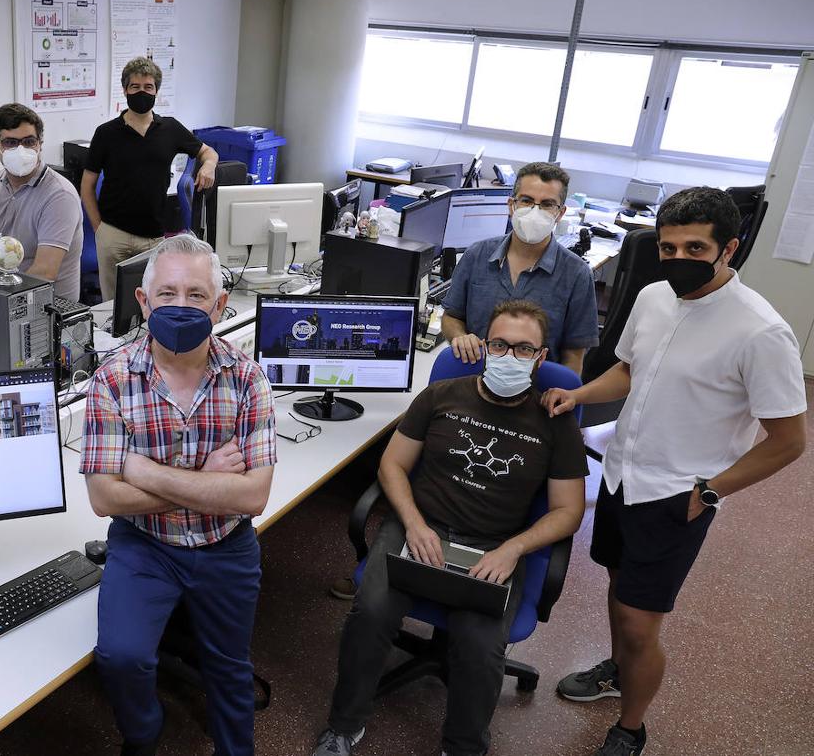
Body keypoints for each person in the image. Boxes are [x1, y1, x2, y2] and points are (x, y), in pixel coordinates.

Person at [543, 187, 807, 756]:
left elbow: (788, 443)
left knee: (641, 624)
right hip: (619, 477)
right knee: (619, 590)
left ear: (728, 249)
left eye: (695, 248)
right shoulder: (655, 296)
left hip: (675, 494)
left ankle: (630, 728)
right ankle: (616, 670)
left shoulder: (762, 332)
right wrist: (579, 395)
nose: (678, 259)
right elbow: (629, 372)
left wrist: (708, 492)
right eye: (668, 248)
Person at [313, 299, 588, 756]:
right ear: (484, 345)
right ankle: (344, 726)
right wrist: (414, 525)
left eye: (524, 349)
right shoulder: (441, 396)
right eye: (499, 344)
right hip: (419, 527)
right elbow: (392, 467)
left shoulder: (554, 423)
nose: (509, 356)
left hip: (494, 546)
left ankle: (463, 747)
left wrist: (513, 550)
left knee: (481, 645)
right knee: (371, 612)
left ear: (541, 358)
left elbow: (567, 512)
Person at [80, 234, 276, 756]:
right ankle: (144, 734)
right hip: (145, 545)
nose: (181, 305)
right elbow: (104, 498)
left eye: (196, 295)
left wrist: (144, 469)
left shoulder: (249, 379)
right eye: (167, 294)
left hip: (226, 546)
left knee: (230, 667)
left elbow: (253, 496)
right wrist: (210, 481)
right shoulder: (111, 381)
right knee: (120, 657)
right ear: (143, 303)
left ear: (220, 305)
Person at [441, 161, 599, 376]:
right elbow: (451, 317)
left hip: (535, 393)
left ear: (560, 213)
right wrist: (459, 336)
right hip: (471, 382)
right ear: (511, 205)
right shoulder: (476, 255)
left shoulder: (577, 274)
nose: (535, 210)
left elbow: (574, 356)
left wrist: (559, 397)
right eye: (526, 200)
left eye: (546, 204)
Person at [81, 57, 219, 300]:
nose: (141, 92)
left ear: (156, 91)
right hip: (113, 234)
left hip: (154, 237)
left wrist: (208, 166)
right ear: (125, 90)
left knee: (154, 302)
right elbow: (87, 185)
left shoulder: (171, 129)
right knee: (111, 309)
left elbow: (209, 152)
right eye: (135, 87)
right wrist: (99, 229)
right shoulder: (106, 133)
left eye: (148, 87)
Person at [0, 103, 83, 300]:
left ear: (40, 144)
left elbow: (43, 273)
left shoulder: (60, 195)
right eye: (10, 143)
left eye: (29, 141)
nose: (20, 150)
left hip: (49, 305)